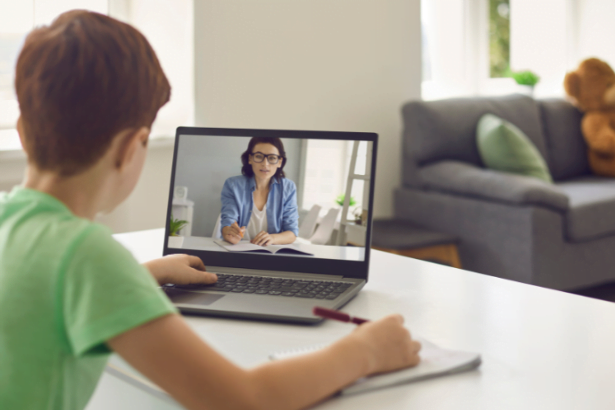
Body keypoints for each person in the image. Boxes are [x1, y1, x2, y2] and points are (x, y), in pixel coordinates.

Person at [0, 10, 421, 410]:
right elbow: (242, 398)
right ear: (132, 149)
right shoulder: (86, 255)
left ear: (23, 132)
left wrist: (142, 275)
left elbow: (42, 291)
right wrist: (364, 351)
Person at [221, 137, 299, 246]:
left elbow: (292, 232)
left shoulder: (288, 187)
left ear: (279, 162)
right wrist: (229, 233)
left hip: (271, 254)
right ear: (250, 159)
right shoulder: (233, 185)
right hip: (238, 250)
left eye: (272, 158)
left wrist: (272, 238)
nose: (265, 164)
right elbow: (227, 222)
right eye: (259, 156)